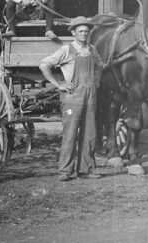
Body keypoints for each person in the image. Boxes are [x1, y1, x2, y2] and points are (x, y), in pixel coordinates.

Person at [39, 16, 104, 181]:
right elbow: (44, 65)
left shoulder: (92, 50)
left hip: (90, 96)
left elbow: (99, 66)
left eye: (86, 31)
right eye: (80, 31)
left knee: (89, 132)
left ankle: (86, 169)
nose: (84, 34)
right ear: (73, 32)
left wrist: (96, 81)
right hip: (72, 97)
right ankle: (65, 171)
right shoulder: (66, 49)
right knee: (70, 134)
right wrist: (58, 84)